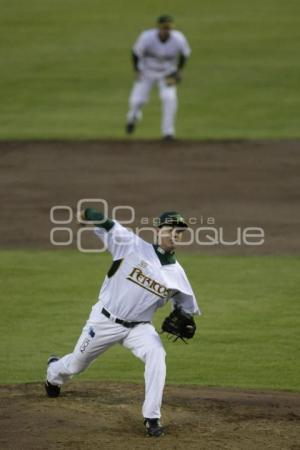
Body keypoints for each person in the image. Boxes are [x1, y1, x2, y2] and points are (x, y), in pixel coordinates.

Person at [45, 208, 200, 437]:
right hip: (104, 321)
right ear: (158, 230)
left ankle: (152, 417)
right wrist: (88, 213)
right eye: (170, 228)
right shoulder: (131, 246)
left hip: (139, 328)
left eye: (180, 231)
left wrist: (185, 319)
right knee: (76, 365)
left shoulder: (178, 275)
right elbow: (109, 225)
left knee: (157, 355)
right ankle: (53, 373)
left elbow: (187, 307)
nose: (175, 234)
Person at [126, 15, 191, 140]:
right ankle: (133, 117)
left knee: (169, 99)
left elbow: (185, 54)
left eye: (168, 28)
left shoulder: (178, 38)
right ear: (158, 27)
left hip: (167, 73)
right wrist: (137, 70)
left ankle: (168, 132)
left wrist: (179, 71)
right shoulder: (147, 37)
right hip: (146, 71)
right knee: (137, 101)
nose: (166, 30)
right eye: (164, 27)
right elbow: (135, 53)